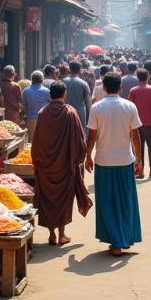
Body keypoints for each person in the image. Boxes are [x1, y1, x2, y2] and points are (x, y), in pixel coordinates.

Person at [85, 72, 143, 256]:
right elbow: (136, 136)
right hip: (125, 161)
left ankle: (115, 242)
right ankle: (122, 239)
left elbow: (92, 136)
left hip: (104, 161)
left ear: (104, 88)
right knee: (126, 201)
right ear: (120, 88)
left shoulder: (96, 108)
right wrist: (139, 159)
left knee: (107, 202)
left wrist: (87, 155)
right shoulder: (129, 106)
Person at [32, 81, 92, 245]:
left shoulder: (43, 113)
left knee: (48, 200)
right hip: (66, 166)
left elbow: (36, 141)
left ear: (50, 95)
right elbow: (80, 141)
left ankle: (51, 234)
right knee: (64, 201)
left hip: (46, 166)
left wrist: (36, 161)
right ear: (64, 94)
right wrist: (79, 160)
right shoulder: (71, 113)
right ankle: (62, 234)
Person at [129, 68, 151, 178]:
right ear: (148, 77)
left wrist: (129, 124)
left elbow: (130, 108)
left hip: (136, 124)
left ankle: (140, 171)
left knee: (139, 146)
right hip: (150, 122)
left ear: (138, 77)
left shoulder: (133, 90)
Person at [64, 60, 92, 136]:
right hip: (80, 113)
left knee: (66, 134)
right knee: (80, 134)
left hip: (65, 112)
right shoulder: (83, 83)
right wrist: (89, 115)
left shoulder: (63, 82)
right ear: (79, 70)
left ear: (69, 69)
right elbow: (88, 102)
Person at [21, 71, 50, 139]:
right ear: (42, 79)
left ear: (32, 79)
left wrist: (22, 117)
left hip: (30, 119)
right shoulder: (47, 91)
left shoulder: (26, 91)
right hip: (44, 119)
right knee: (44, 139)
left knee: (32, 140)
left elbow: (23, 107)